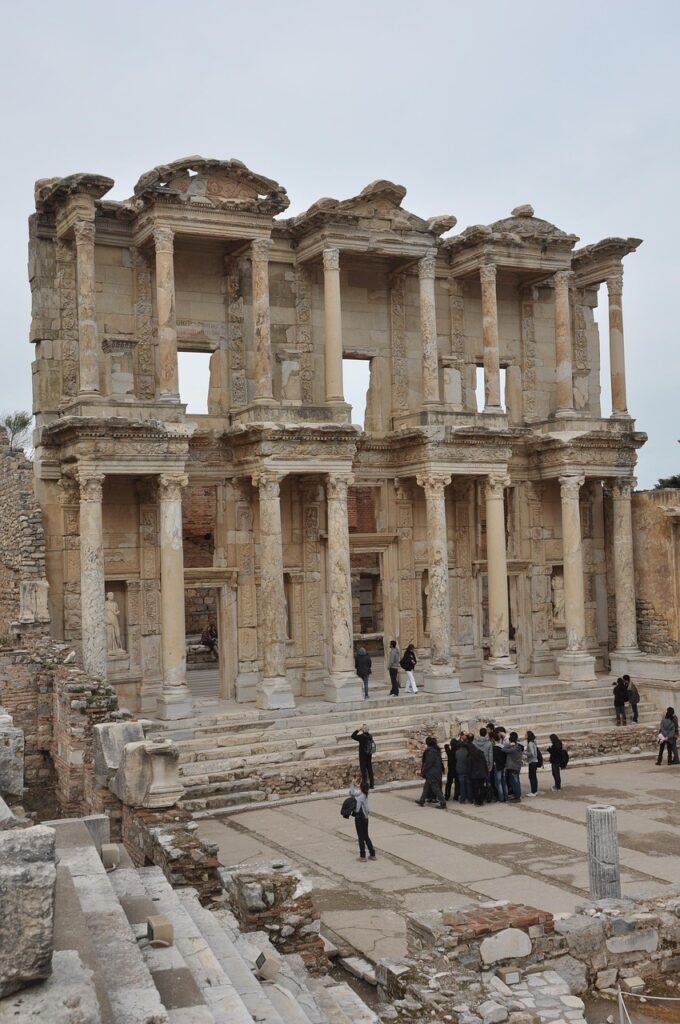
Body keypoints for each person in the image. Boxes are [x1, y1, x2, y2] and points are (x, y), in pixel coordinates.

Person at [416, 736, 446, 809]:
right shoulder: (435, 750)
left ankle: (443, 803)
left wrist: (423, 772)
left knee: (436, 788)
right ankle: (422, 800)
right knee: (426, 787)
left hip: (432, 773)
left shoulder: (431, 752)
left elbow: (428, 764)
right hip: (434, 772)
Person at [349, 779, 376, 861]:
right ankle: (372, 854)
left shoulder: (360, 797)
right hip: (365, 818)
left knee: (361, 837)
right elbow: (352, 792)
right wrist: (352, 784)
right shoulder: (364, 794)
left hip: (359, 818)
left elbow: (357, 809)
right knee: (366, 836)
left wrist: (352, 807)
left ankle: (363, 856)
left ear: (361, 787)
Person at [473, 728, 494, 802]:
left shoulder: (474, 743)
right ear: (486, 734)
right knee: (487, 782)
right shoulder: (489, 743)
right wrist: (491, 766)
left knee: (478, 783)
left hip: (477, 764)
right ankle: (488, 797)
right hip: (486, 764)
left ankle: (478, 798)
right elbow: (490, 755)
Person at [468, 736, 489, 806]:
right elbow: (485, 764)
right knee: (482, 787)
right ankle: (481, 801)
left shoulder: (471, 756)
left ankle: (477, 801)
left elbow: (470, 766)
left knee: (475, 788)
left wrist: (469, 774)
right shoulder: (481, 754)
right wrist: (486, 772)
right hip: (482, 773)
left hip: (474, 774)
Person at [504, 732, 523, 802]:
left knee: (515, 783)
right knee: (515, 782)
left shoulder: (513, 748)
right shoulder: (518, 746)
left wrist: (508, 745)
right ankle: (517, 795)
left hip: (513, 767)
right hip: (516, 766)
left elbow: (503, 749)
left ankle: (517, 797)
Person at [492, 731, 508, 802]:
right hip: (503, 766)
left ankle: (501, 797)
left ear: (493, 739)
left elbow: (494, 758)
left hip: (498, 766)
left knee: (498, 783)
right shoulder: (503, 747)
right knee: (504, 782)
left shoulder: (494, 748)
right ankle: (506, 797)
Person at [455, 734, 471, 804]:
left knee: (462, 785)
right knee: (468, 784)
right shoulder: (468, 752)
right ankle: (470, 798)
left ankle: (462, 799)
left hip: (460, 770)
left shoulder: (457, 752)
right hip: (467, 769)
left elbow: (456, 759)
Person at [525, 730, 539, 797]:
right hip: (534, 761)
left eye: (526, 735)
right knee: (534, 776)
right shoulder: (533, 742)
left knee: (531, 776)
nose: (525, 736)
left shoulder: (530, 743)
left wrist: (525, 752)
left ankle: (533, 791)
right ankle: (535, 791)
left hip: (532, 761)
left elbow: (532, 753)